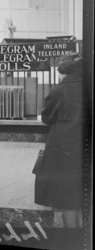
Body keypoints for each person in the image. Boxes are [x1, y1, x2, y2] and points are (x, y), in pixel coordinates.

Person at [34, 52, 83, 228]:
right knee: (82, 198)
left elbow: (46, 118)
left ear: (63, 72)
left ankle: (72, 238)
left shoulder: (59, 90)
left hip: (64, 152)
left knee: (68, 200)